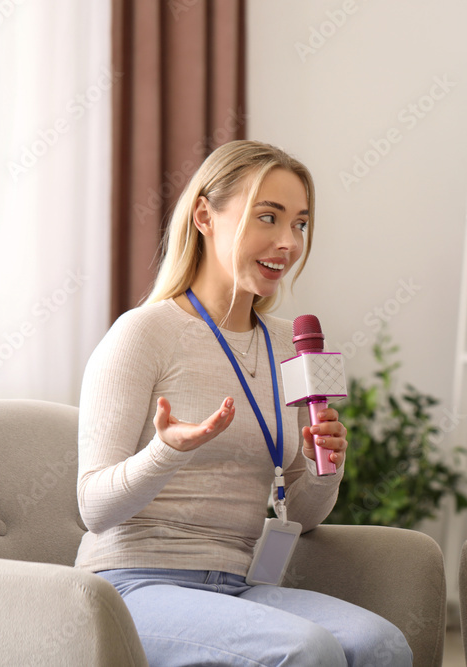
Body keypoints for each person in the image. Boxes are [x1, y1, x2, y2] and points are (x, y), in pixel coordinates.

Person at [75, 140, 412, 667]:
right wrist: (166, 451)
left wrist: (325, 470)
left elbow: (297, 515)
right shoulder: (143, 333)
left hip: (238, 583)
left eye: (299, 224)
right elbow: (93, 508)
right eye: (267, 217)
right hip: (131, 584)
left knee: (383, 644)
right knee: (310, 651)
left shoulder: (287, 345)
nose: (287, 242)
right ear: (205, 215)